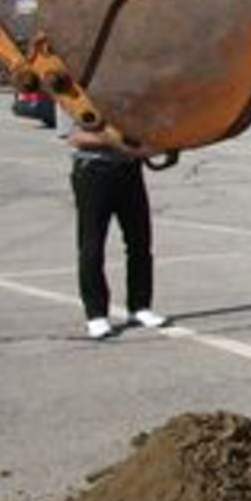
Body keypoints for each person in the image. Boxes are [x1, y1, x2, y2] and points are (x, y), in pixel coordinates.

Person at [58, 108, 168, 339]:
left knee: (140, 242)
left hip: (129, 169)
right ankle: (96, 315)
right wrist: (116, 140)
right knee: (92, 246)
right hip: (93, 171)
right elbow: (73, 137)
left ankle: (139, 307)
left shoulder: (121, 85)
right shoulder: (72, 91)